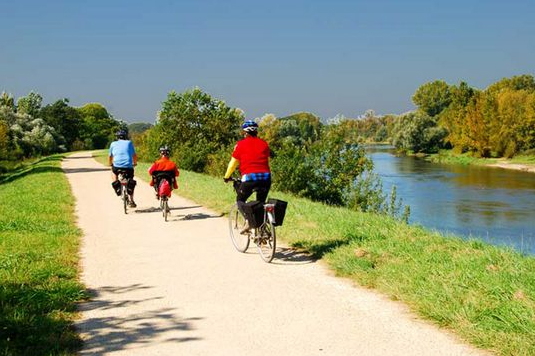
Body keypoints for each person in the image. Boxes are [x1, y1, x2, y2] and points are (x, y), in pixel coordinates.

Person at [224, 120, 271, 232]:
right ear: (256, 132)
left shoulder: (240, 145)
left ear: (245, 133)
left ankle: (248, 221)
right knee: (261, 202)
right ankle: (262, 230)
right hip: (266, 178)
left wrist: (226, 177)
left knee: (240, 200)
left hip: (250, 178)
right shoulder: (264, 144)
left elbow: (233, 164)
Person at [109, 129, 138, 207]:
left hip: (117, 165)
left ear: (117, 137)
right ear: (125, 137)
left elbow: (110, 156)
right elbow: (134, 155)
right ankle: (131, 200)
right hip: (128, 166)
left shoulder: (113, 144)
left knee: (112, 171)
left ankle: (116, 185)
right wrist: (134, 163)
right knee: (130, 180)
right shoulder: (129, 143)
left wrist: (110, 164)